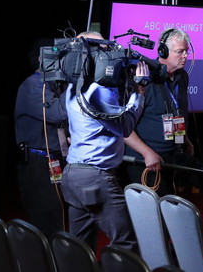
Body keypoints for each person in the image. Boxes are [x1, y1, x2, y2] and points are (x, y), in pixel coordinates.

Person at [60, 31, 150, 253]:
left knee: (79, 247)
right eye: (105, 48)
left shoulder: (73, 86)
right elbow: (124, 126)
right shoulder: (98, 89)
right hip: (95, 178)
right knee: (127, 244)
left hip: (72, 175)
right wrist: (138, 92)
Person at [122, 27, 202, 196]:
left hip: (171, 158)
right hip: (145, 162)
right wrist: (146, 153)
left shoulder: (182, 76)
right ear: (163, 51)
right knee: (153, 217)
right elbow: (123, 128)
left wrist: (183, 139)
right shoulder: (144, 78)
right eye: (180, 52)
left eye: (186, 51)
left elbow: (177, 112)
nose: (185, 56)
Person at [14, 37, 69, 240]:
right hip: (38, 164)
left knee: (58, 216)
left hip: (55, 161)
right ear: (42, 58)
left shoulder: (54, 86)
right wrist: (73, 85)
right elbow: (56, 113)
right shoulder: (33, 86)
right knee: (47, 220)